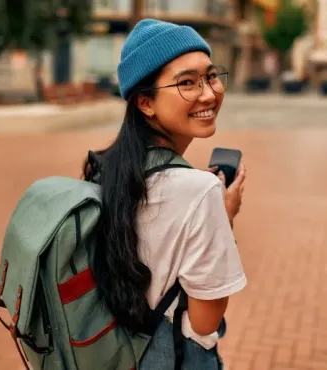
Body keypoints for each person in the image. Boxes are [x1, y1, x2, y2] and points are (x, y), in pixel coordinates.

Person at [83, 19, 247, 369]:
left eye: (211, 75)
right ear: (145, 103)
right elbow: (203, 326)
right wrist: (224, 217)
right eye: (187, 82)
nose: (208, 93)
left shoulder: (103, 168)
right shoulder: (200, 193)